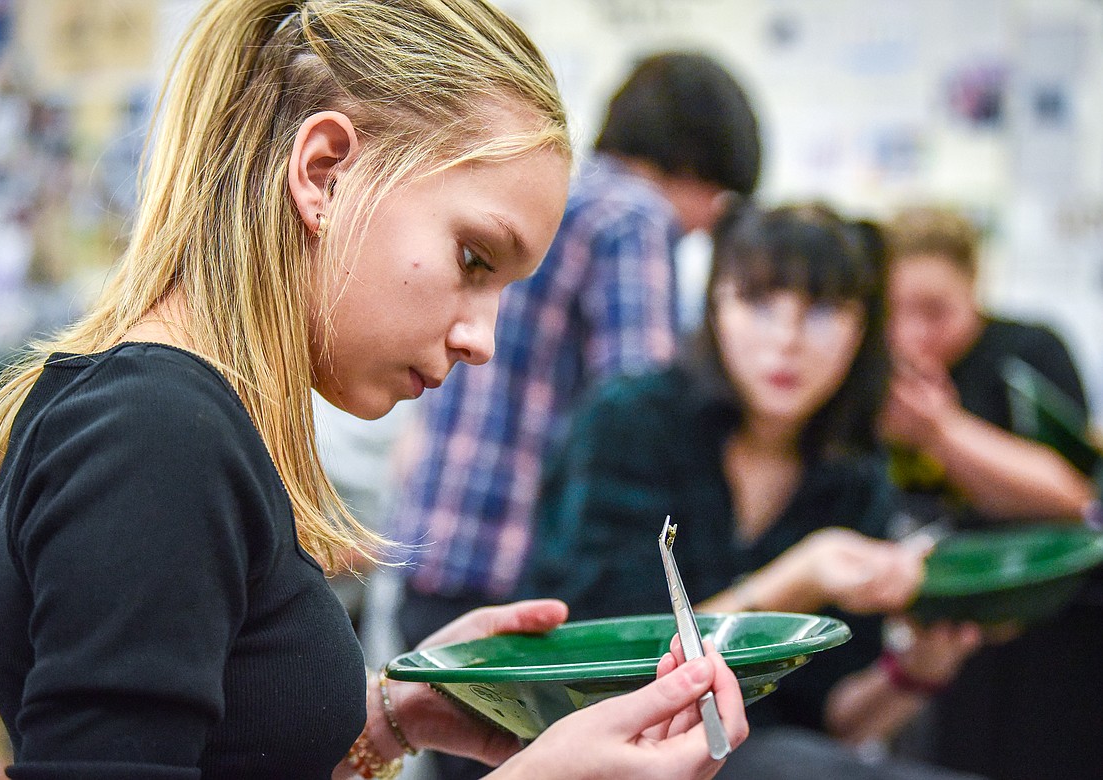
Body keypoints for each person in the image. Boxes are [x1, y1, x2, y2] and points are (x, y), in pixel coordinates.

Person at [0, 1, 749, 777]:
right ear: (323, 172)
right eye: (473, 259)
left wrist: (392, 716)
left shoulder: (175, 420)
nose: (482, 341)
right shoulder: (155, 436)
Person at [388, 49, 762, 779]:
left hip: (432, 566)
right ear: (701, 174)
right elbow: (642, 407)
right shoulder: (633, 218)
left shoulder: (539, 198)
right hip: (526, 579)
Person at [517, 202, 984, 779]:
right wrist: (799, 578)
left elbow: (829, 720)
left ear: (862, 328)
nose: (786, 340)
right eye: (758, 304)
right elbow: (612, 671)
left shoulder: (854, 471)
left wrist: (917, 672)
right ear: (716, 307)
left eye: (822, 310)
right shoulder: (628, 422)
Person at [880, 205, 1103, 780]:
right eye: (894, 310)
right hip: (927, 624)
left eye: (935, 310)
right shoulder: (867, 371)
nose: (913, 332)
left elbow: (1071, 494)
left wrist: (941, 431)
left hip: (1049, 621)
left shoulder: (1027, 351)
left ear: (974, 286)